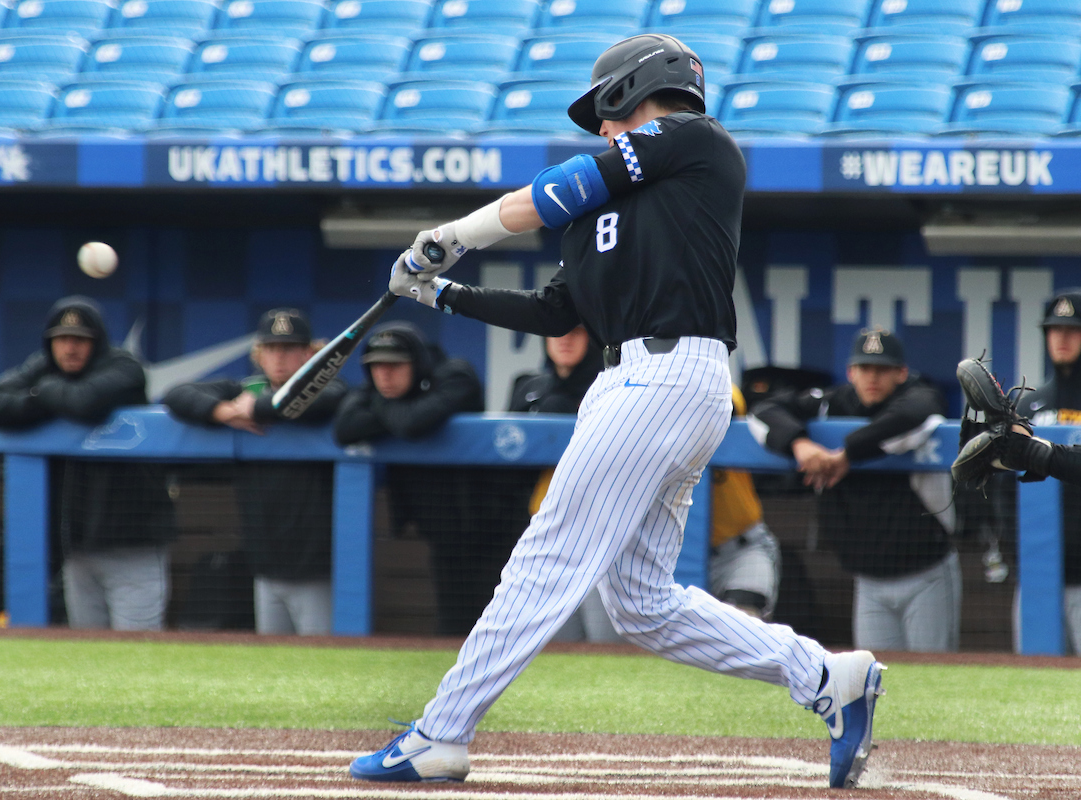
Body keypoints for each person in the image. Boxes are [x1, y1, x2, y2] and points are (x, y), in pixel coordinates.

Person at [351, 33, 884, 791]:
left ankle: (440, 734)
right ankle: (828, 676)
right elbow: (560, 310)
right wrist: (442, 293)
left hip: (667, 377)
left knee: (548, 557)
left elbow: (560, 185)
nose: (601, 130)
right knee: (640, 604)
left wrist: (451, 238)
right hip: (635, 383)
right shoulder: (607, 209)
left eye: (605, 115)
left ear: (634, 93)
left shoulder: (697, 143)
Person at [750, 328, 960, 653]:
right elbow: (764, 411)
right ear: (851, 372)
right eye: (864, 368)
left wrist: (847, 455)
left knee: (933, 675)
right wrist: (800, 444)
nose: (871, 377)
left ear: (901, 373)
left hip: (926, 574)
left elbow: (914, 415)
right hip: (867, 580)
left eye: (882, 369)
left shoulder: (919, 395)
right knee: (875, 677)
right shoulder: (834, 402)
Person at [0, 296, 175, 630]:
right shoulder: (42, 366)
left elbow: (85, 403)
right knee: (87, 655)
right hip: (78, 551)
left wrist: (41, 393)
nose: (70, 348)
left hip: (133, 547)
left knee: (139, 655)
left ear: (97, 343)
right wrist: (45, 396)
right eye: (62, 339)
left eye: (80, 340)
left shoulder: (124, 366)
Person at [163, 308, 346, 635]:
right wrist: (220, 410)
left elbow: (320, 400)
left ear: (309, 353)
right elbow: (176, 394)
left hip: (317, 567)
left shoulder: (328, 388)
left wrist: (256, 408)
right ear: (259, 355)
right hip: (265, 566)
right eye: (271, 348)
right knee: (274, 665)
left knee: (323, 662)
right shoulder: (247, 389)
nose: (279, 357)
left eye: (289, 348)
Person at [333, 322, 509, 637]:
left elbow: (412, 423)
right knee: (454, 631)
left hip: (494, 530)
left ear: (417, 363)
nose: (384, 375)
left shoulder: (456, 373)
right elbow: (344, 428)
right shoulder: (376, 390)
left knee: (500, 628)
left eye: (395, 365)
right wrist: (390, 408)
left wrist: (380, 405)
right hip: (443, 537)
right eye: (376, 367)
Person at [510, 325, 619, 643]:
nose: (565, 339)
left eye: (577, 332)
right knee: (554, 644)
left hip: (603, 531)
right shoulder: (529, 387)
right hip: (547, 532)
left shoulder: (613, 386)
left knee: (606, 645)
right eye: (556, 331)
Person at [1011, 288, 1081, 651]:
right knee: (1034, 680)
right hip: (1040, 572)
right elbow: (1005, 485)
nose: (1062, 337)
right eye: (1055, 329)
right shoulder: (1027, 402)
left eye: (1072, 329)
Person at [707, 384, 783, 620]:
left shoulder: (721, 386)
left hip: (739, 551)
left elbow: (723, 404)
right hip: (666, 558)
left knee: (741, 632)